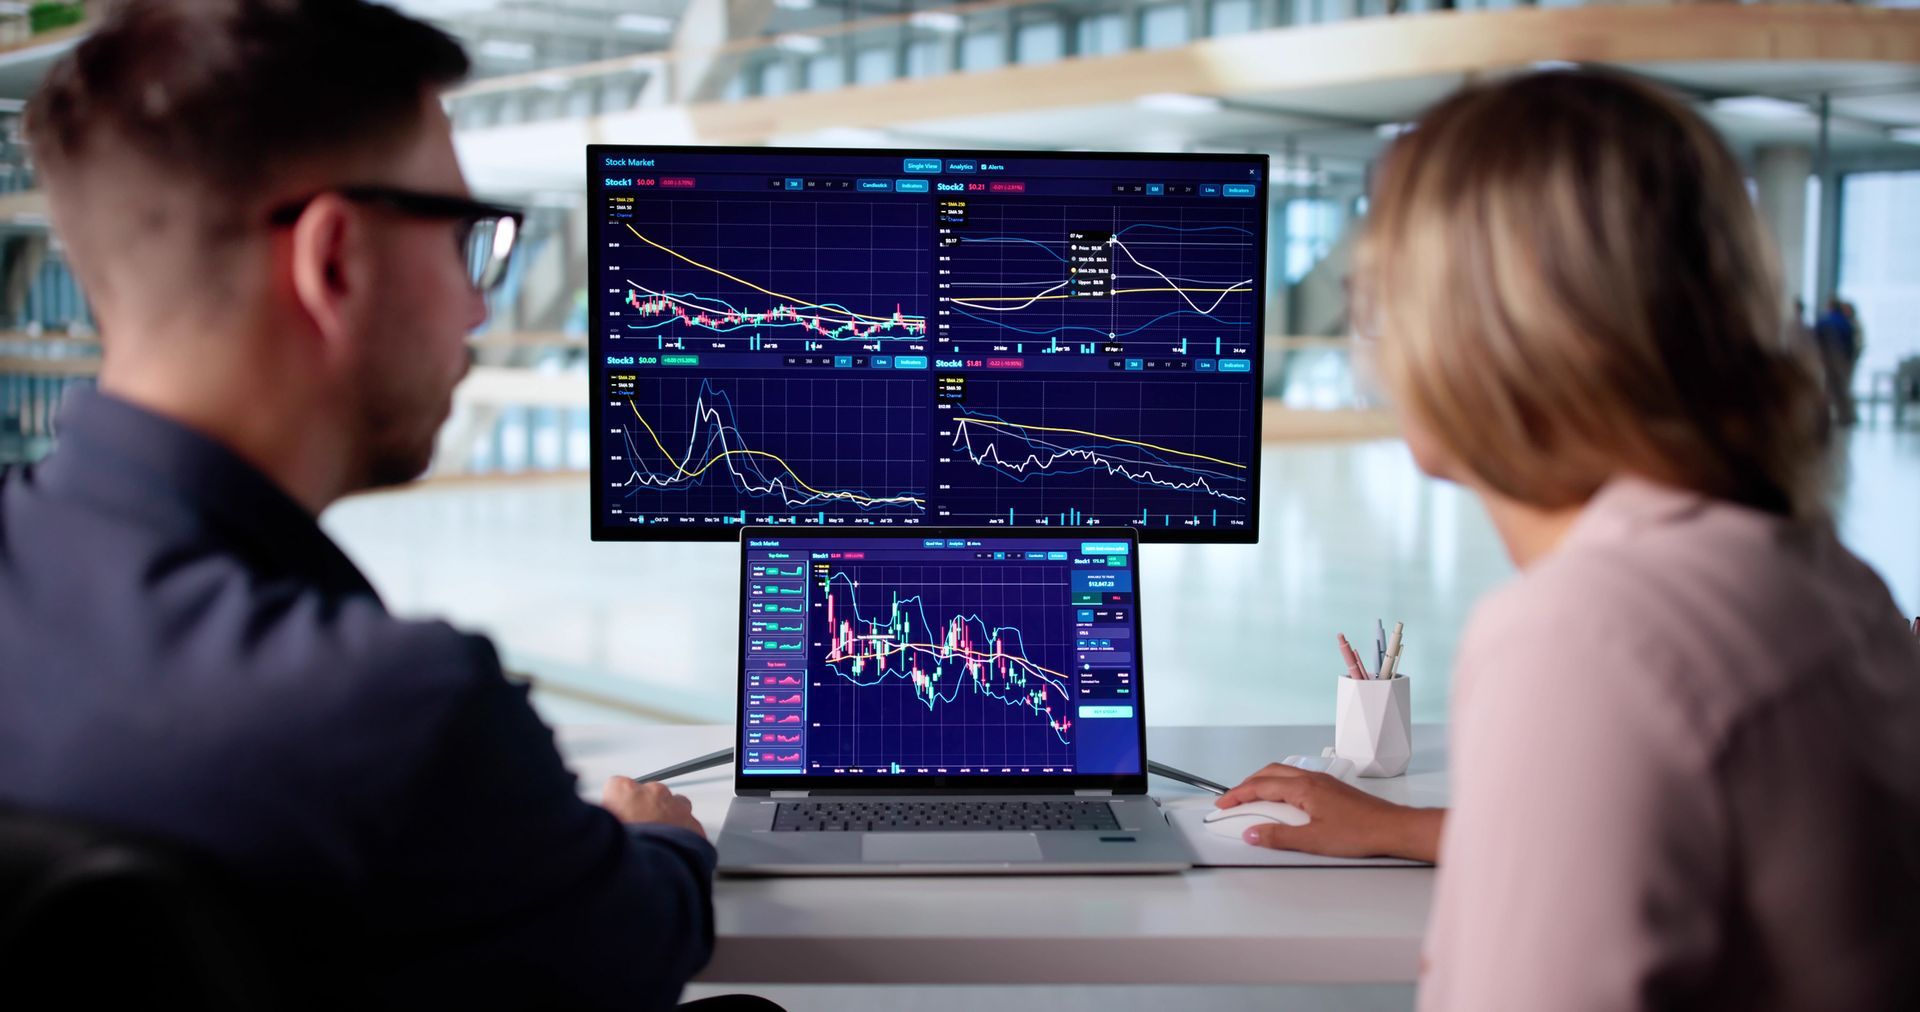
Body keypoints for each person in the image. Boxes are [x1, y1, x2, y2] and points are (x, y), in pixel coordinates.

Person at [0, 3, 763, 1009]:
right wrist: (661, 840)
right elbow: (636, 945)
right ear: (334, 260)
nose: (479, 303)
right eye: (463, 238)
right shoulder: (397, 713)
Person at [1219, 70, 1920, 1010]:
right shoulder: (1824, 577)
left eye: (1383, 293)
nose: (1370, 334)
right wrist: (1409, 826)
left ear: (1492, 326)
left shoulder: (1589, 636)